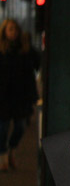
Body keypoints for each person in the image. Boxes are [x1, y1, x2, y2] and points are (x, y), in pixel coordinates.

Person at [0, 18, 40, 171]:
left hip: (20, 96)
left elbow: (36, 64)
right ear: (4, 31)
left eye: (15, 29)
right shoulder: (1, 50)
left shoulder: (25, 49)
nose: (13, 32)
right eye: (10, 29)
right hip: (3, 96)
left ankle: (12, 149)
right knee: (2, 129)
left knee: (20, 127)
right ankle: (3, 157)